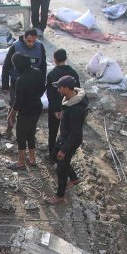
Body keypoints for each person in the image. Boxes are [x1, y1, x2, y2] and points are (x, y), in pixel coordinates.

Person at [50, 75, 87, 204]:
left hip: (69, 140)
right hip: (64, 136)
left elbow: (75, 133)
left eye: (59, 88)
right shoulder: (72, 98)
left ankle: (60, 195)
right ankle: (74, 178)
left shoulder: (76, 109)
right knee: (55, 155)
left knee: (60, 168)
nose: (58, 90)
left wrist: (64, 150)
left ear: (66, 88)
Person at [6, 55, 45, 171]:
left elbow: (19, 102)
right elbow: (43, 88)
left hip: (26, 111)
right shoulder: (38, 72)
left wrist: (11, 114)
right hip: (37, 107)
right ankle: (32, 158)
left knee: (21, 136)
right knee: (31, 133)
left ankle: (21, 161)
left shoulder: (21, 80)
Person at [45, 49, 79, 162]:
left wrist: (55, 110)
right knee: (66, 133)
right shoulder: (73, 73)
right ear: (66, 58)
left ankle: (52, 154)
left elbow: (50, 94)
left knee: (53, 132)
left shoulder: (52, 74)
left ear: (54, 59)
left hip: (56, 108)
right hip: (70, 107)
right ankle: (64, 154)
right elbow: (77, 91)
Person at [2, 30, 47, 98]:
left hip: (33, 82)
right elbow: (6, 66)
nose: (31, 44)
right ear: (24, 38)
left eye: (33, 41)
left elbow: (43, 65)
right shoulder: (15, 47)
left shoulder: (40, 46)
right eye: (29, 41)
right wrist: (5, 85)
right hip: (16, 82)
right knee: (16, 103)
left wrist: (42, 82)